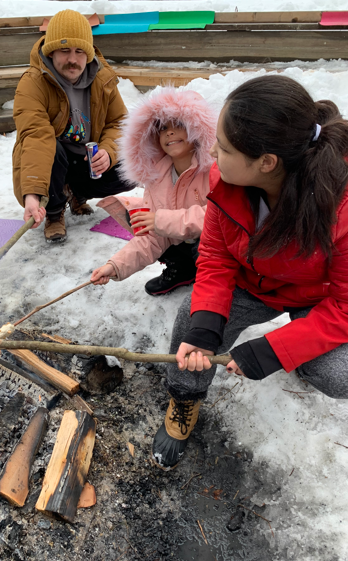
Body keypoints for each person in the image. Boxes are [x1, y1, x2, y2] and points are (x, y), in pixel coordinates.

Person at [152, 74, 348, 471]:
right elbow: (215, 256)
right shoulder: (226, 183)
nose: (212, 152)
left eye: (223, 147)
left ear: (266, 162)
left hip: (316, 297)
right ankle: (185, 397)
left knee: (338, 373)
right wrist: (207, 324)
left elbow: (345, 307)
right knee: (189, 318)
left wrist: (277, 350)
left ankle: (304, 359)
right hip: (251, 286)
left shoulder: (340, 208)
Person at [12, 9, 132, 243]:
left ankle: (77, 194)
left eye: (80, 51)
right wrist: (33, 194)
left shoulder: (102, 77)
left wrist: (108, 151)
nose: (72, 60)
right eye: (64, 50)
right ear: (51, 51)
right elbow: (36, 137)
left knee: (134, 165)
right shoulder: (33, 83)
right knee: (54, 151)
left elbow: (119, 122)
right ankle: (54, 211)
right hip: (53, 158)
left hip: (87, 158)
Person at [90, 88, 217, 295]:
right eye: (163, 127)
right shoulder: (158, 175)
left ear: (198, 128)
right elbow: (152, 238)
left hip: (215, 246)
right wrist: (115, 266)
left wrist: (161, 220)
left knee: (203, 247)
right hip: (183, 241)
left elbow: (221, 219)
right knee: (140, 218)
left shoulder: (215, 169)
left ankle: (213, 292)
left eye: (179, 125)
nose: (169, 132)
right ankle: (183, 269)